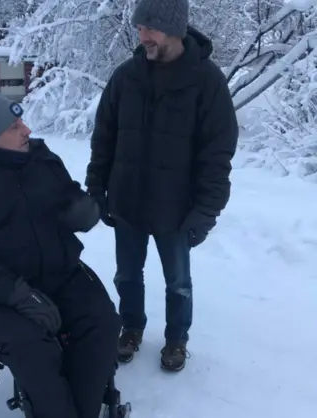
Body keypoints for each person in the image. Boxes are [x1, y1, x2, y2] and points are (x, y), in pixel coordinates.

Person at [0, 85, 121, 418]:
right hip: (3, 289)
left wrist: (83, 211)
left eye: (23, 123)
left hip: (62, 274)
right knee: (35, 349)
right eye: (14, 127)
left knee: (103, 323)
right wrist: (18, 294)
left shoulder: (42, 159)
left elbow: (69, 197)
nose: (27, 131)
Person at [85, 0, 239, 371]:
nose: (141, 35)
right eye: (139, 28)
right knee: (126, 275)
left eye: (148, 28)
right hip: (128, 201)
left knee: (179, 283)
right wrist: (96, 190)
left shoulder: (207, 81)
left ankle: (176, 340)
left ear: (172, 28)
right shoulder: (127, 76)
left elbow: (217, 155)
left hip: (177, 208)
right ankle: (132, 328)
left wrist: (205, 211)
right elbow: (103, 138)